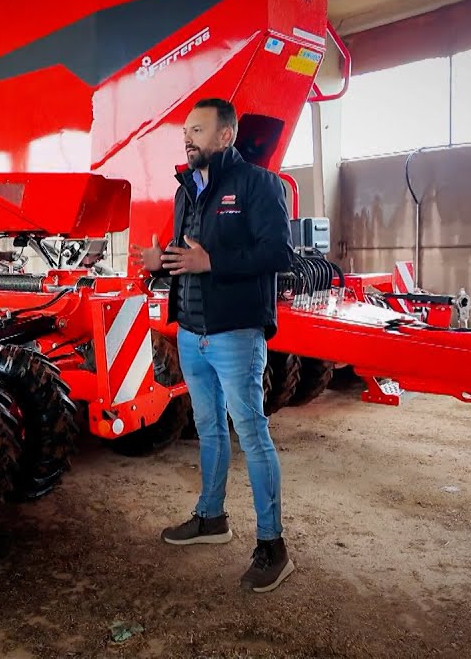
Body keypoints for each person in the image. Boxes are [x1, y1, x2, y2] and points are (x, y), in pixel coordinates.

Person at [134, 97, 296, 593]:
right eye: (186, 130)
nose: (188, 138)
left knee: (251, 432)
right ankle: (211, 518)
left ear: (225, 136)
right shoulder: (187, 189)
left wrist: (212, 263)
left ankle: (273, 546)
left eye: (198, 130)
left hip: (236, 333)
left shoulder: (258, 184)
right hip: (192, 333)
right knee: (208, 429)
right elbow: (191, 254)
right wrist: (162, 263)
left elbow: (278, 254)